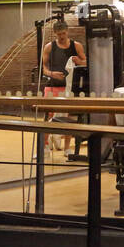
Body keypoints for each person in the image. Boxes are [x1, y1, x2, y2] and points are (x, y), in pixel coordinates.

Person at [40, 21, 86, 158]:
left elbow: (86, 61)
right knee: (48, 116)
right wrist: (51, 73)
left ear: (68, 31)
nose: (62, 36)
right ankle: (46, 146)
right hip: (52, 85)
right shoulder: (49, 47)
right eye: (59, 34)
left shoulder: (76, 46)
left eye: (64, 33)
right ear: (55, 33)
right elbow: (43, 67)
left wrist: (79, 61)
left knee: (69, 117)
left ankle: (67, 148)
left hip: (69, 87)